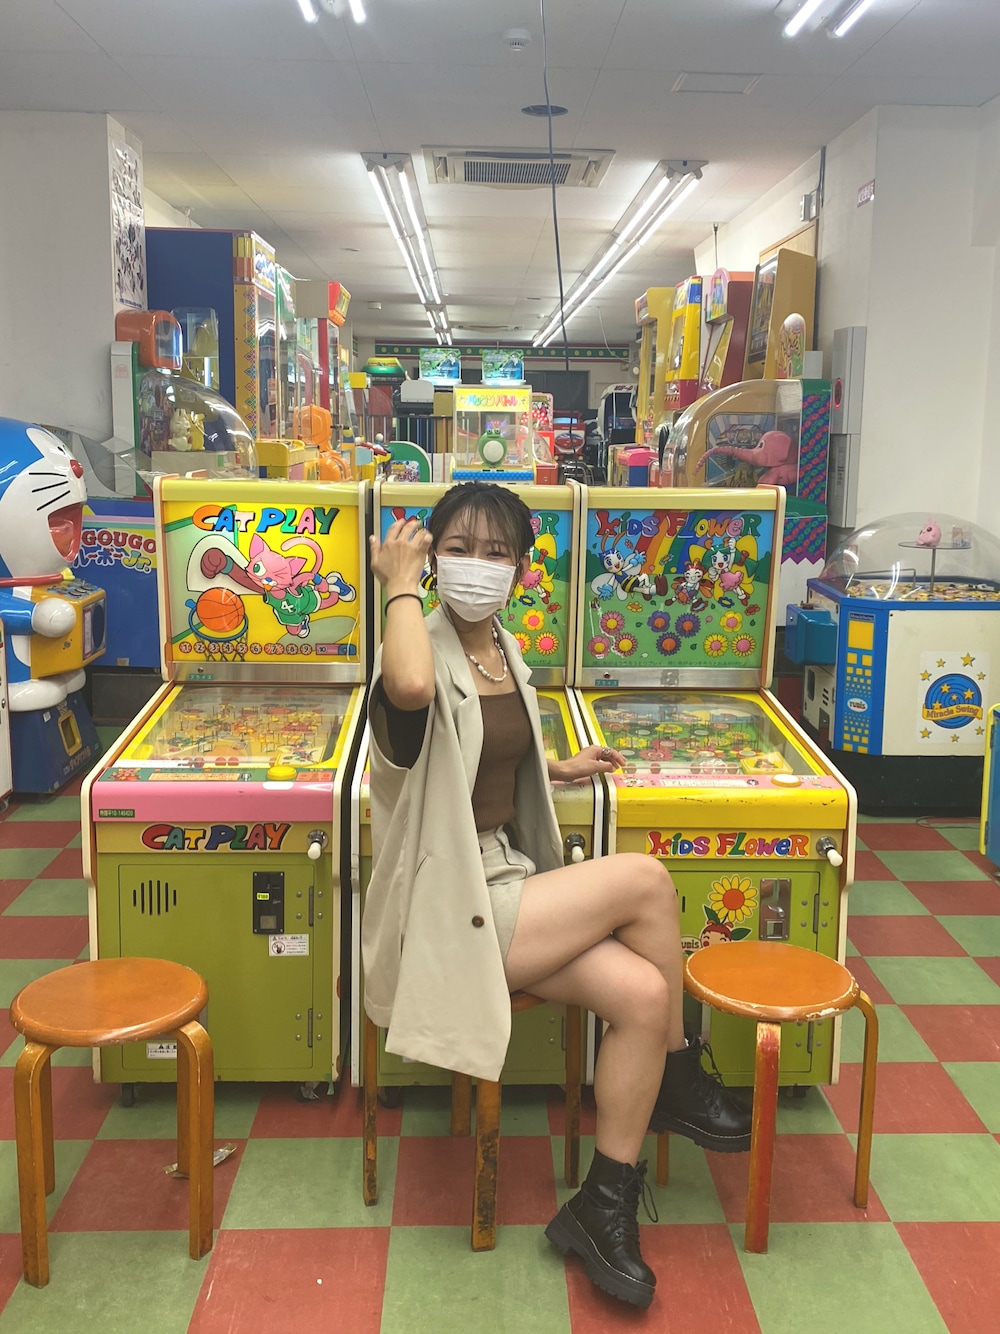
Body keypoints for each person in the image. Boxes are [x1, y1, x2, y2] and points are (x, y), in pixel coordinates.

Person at [363, 482, 751, 1310]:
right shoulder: (414, 650)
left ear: (520, 569)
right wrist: (397, 583)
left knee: (644, 996)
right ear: (431, 558)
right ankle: (682, 1074)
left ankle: (601, 1204)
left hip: (502, 882)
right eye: (458, 548)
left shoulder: (504, 650)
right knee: (646, 879)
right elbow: (413, 693)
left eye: (496, 552)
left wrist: (554, 765)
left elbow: (483, 747)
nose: (477, 565)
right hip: (446, 904)